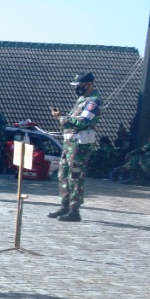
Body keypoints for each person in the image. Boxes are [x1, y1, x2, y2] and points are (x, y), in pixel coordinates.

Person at [49, 72, 103, 222]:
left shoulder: (94, 101)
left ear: (89, 84)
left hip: (80, 146)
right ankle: (64, 205)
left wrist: (61, 117)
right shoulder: (82, 100)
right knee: (62, 175)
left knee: (75, 177)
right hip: (69, 144)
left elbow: (82, 122)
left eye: (80, 85)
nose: (77, 88)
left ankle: (74, 210)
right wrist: (64, 117)